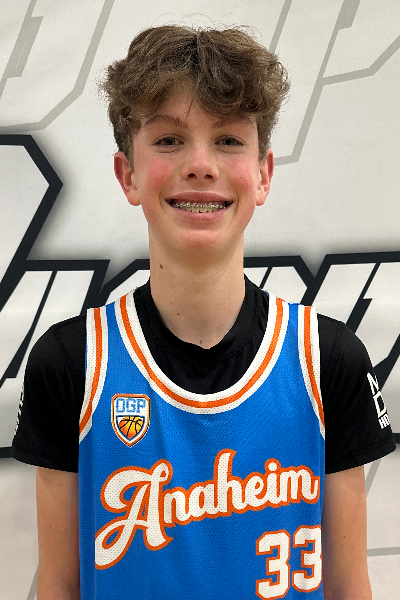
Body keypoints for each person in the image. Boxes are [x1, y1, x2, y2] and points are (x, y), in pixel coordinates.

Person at [12, 24, 395, 600]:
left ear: (263, 174)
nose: (200, 164)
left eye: (229, 140)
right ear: (127, 174)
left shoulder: (329, 360)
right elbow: (60, 586)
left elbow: (348, 587)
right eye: (168, 139)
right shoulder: (72, 362)